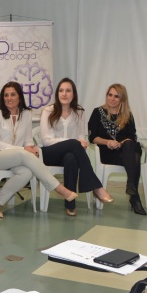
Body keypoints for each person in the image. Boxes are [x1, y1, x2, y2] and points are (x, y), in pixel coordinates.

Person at [0, 82, 78, 217]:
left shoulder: (26, 113)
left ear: (19, 97)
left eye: (13, 94)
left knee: (27, 173)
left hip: (17, 157)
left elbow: (28, 139)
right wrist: (23, 149)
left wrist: (31, 148)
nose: (9, 98)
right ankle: (59, 188)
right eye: (6, 95)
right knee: (23, 153)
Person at [38, 78, 113, 216]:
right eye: (61, 90)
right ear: (57, 93)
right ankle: (96, 187)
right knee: (73, 144)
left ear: (73, 94)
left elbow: (81, 136)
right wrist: (73, 142)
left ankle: (70, 203)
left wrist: (81, 142)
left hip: (68, 154)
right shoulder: (48, 111)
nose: (64, 94)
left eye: (68, 91)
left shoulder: (79, 112)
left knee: (71, 158)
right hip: (49, 153)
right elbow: (46, 140)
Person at [87, 84, 147, 215]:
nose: (112, 99)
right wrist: (107, 142)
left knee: (131, 146)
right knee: (135, 157)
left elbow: (132, 137)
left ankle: (131, 188)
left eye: (116, 96)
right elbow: (92, 137)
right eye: (110, 95)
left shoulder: (128, 115)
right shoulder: (97, 112)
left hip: (125, 152)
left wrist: (120, 144)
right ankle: (134, 196)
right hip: (107, 154)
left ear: (122, 99)